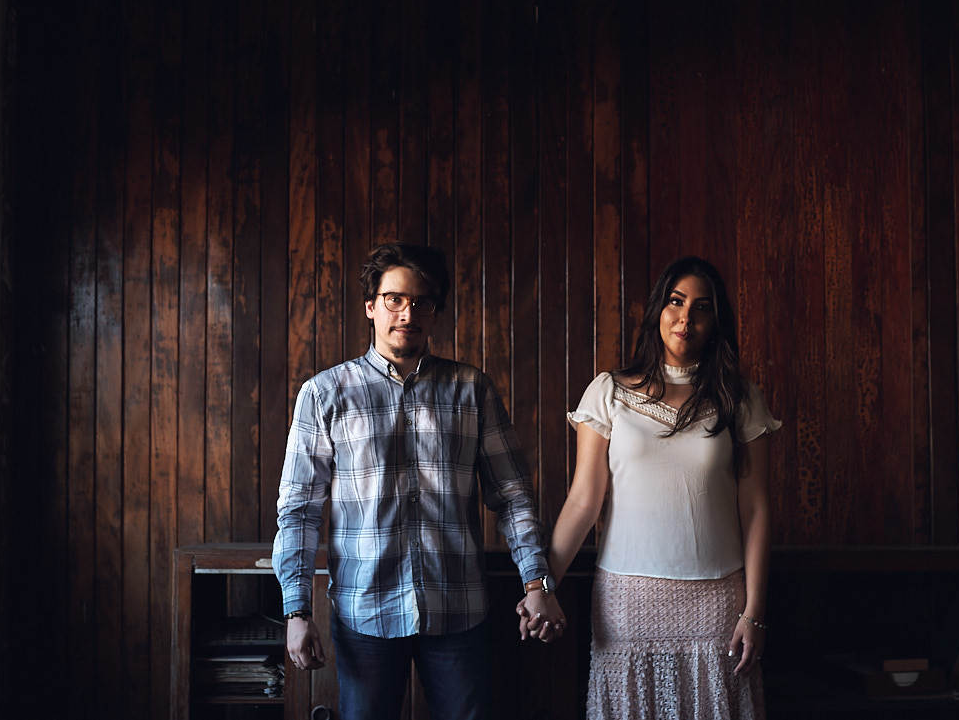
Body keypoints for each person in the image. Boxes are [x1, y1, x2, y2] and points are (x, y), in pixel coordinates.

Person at [273, 242, 566, 720]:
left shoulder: (472, 389)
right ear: (370, 307)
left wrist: (536, 581)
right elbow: (299, 510)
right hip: (364, 610)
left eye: (421, 302)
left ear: (435, 313)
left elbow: (513, 497)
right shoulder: (325, 394)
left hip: (458, 609)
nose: (407, 313)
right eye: (394, 299)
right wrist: (296, 613)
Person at [521, 255, 779, 719]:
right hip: (625, 599)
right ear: (658, 310)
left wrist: (754, 611)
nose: (685, 317)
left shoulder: (739, 398)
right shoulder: (609, 392)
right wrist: (542, 584)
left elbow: (756, 509)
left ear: (715, 321)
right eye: (676, 302)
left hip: (718, 600)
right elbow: (583, 501)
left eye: (701, 307)